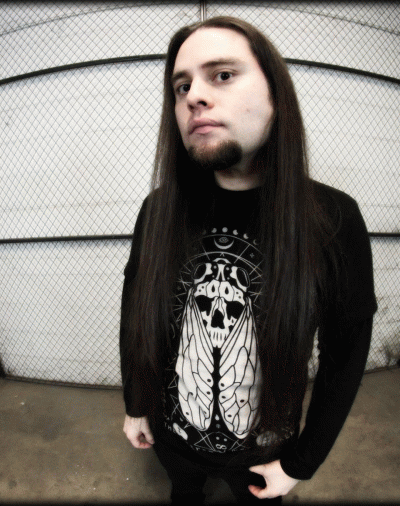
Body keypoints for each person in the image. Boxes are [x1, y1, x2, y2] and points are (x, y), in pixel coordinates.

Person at [120, 16, 377, 504]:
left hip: (265, 452)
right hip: (173, 438)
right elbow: (137, 309)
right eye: (181, 86)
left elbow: (345, 354)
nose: (194, 96)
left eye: (222, 75)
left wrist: (302, 462)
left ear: (276, 97)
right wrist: (136, 402)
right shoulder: (159, 209)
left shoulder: (332, 218)